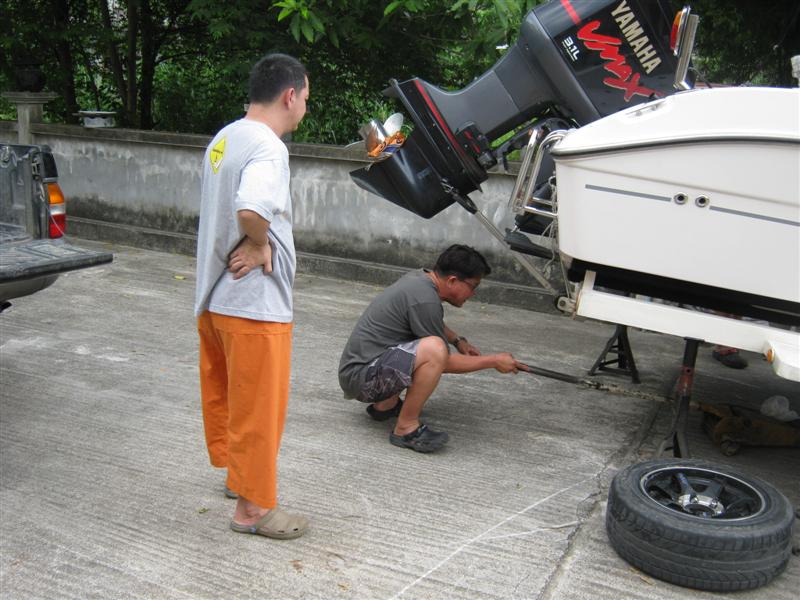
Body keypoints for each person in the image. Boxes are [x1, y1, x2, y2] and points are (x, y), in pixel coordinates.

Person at [194, 53, 309, 539]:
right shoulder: (268, 147)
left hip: (217, 301)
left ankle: (236, 479)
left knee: (232, 400)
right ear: (290, 95)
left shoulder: (226, 137)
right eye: (306, 97)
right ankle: (253, 510)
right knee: (260, 411)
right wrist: (260, 241)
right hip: (255, 307)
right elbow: (249, 210)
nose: (306, 105)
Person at [338, 244, 526, 453]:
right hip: (362, 379)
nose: (473, 294)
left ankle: (385, 407)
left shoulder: (421, 279)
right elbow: (441, 361)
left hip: (361, 370)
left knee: (428, 345)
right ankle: (406, 428)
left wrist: (457, 340)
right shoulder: (425, 299)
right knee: (435, 350)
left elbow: (427, 320)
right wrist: (493, 361)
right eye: (473, 287)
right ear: (453, 280)